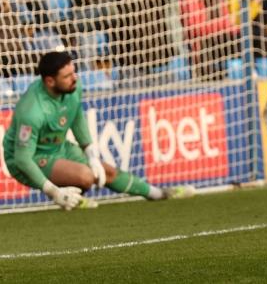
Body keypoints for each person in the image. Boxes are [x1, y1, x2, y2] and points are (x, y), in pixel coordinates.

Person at [2, 52, 194, 211]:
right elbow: (22, 159)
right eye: (67, 76)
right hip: (29, 157)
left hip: (57, 147)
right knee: (86, 177)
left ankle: (159, 193)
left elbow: (76, 118)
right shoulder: (32, 110)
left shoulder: (73, 89)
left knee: (105, 171)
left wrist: (91, 155)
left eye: (74, 72)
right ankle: (67, 198)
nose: (74, 78)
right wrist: (54, 192)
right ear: (50, 81)